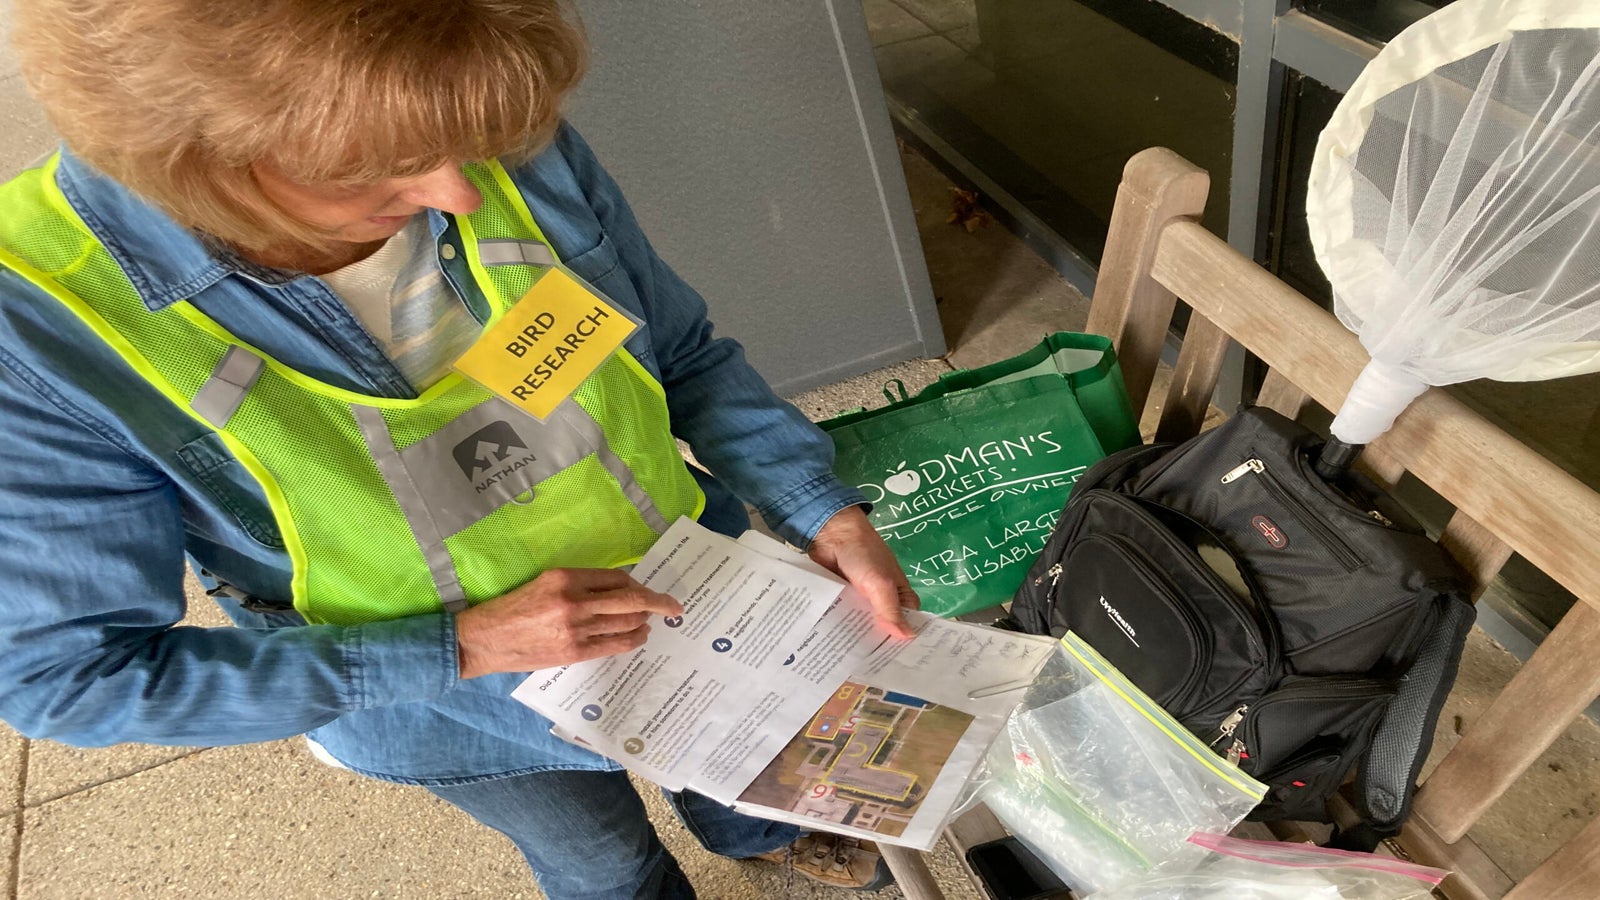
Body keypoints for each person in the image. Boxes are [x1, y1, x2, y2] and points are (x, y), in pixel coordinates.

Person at [0, 1, 920, 897]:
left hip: (686, 592)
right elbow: (71, 680)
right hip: (449, 702)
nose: (459, 193)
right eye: (384, 169)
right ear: (199, 163)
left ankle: (755, 831)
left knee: (740, 759)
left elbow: (676, 350)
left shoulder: (467, 124)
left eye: (469, 149)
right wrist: (461, 648)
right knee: (599, 860)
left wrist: (817, 509)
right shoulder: (40, 328)